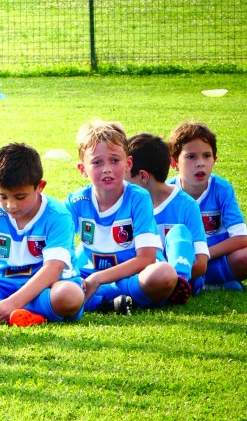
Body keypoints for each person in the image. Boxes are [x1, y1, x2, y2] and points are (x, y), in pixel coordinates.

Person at [65, 120, 178, 313]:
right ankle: (106, 303)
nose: (107, 169)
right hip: (91, 274)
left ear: (128, 163)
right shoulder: (76, 202)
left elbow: (146, 259)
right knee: (56, 281)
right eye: (97, 162)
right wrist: (76, 279)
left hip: (133, 276)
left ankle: (96, 299)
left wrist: (97, 280)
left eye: (114, 160)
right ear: (82, 169)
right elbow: (59, 254)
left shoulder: (138, 198)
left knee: (164, 274)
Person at [0, 143, 85, 327]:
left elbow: (53, 269)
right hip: (6, 286)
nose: (11, 205)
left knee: (69, 295)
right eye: (3, 197)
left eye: (20, 197)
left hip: (47, 287)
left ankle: (4, 310)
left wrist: (12, 303)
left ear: (40, 186)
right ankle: (24, 314)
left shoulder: (57, 216)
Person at [127, 132, 209, 300]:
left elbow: (201, 264)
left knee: (179, 232)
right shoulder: (127, 205)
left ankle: (178, 280)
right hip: (147, 276)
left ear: (143, 176)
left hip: (184, 278)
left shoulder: (186, 206)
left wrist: (169, 275)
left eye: (124, 175)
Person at [167, 121, 247, 291]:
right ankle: (213, 284)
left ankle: (206, 284)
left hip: (215, 259)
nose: (200, 163)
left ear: (214, 160)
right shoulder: (167, 193)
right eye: (191, 157)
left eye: (206, 156)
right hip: (180, 263)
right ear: (174, 163)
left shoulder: (222, 189)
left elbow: (241, 238)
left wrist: (204, 255)